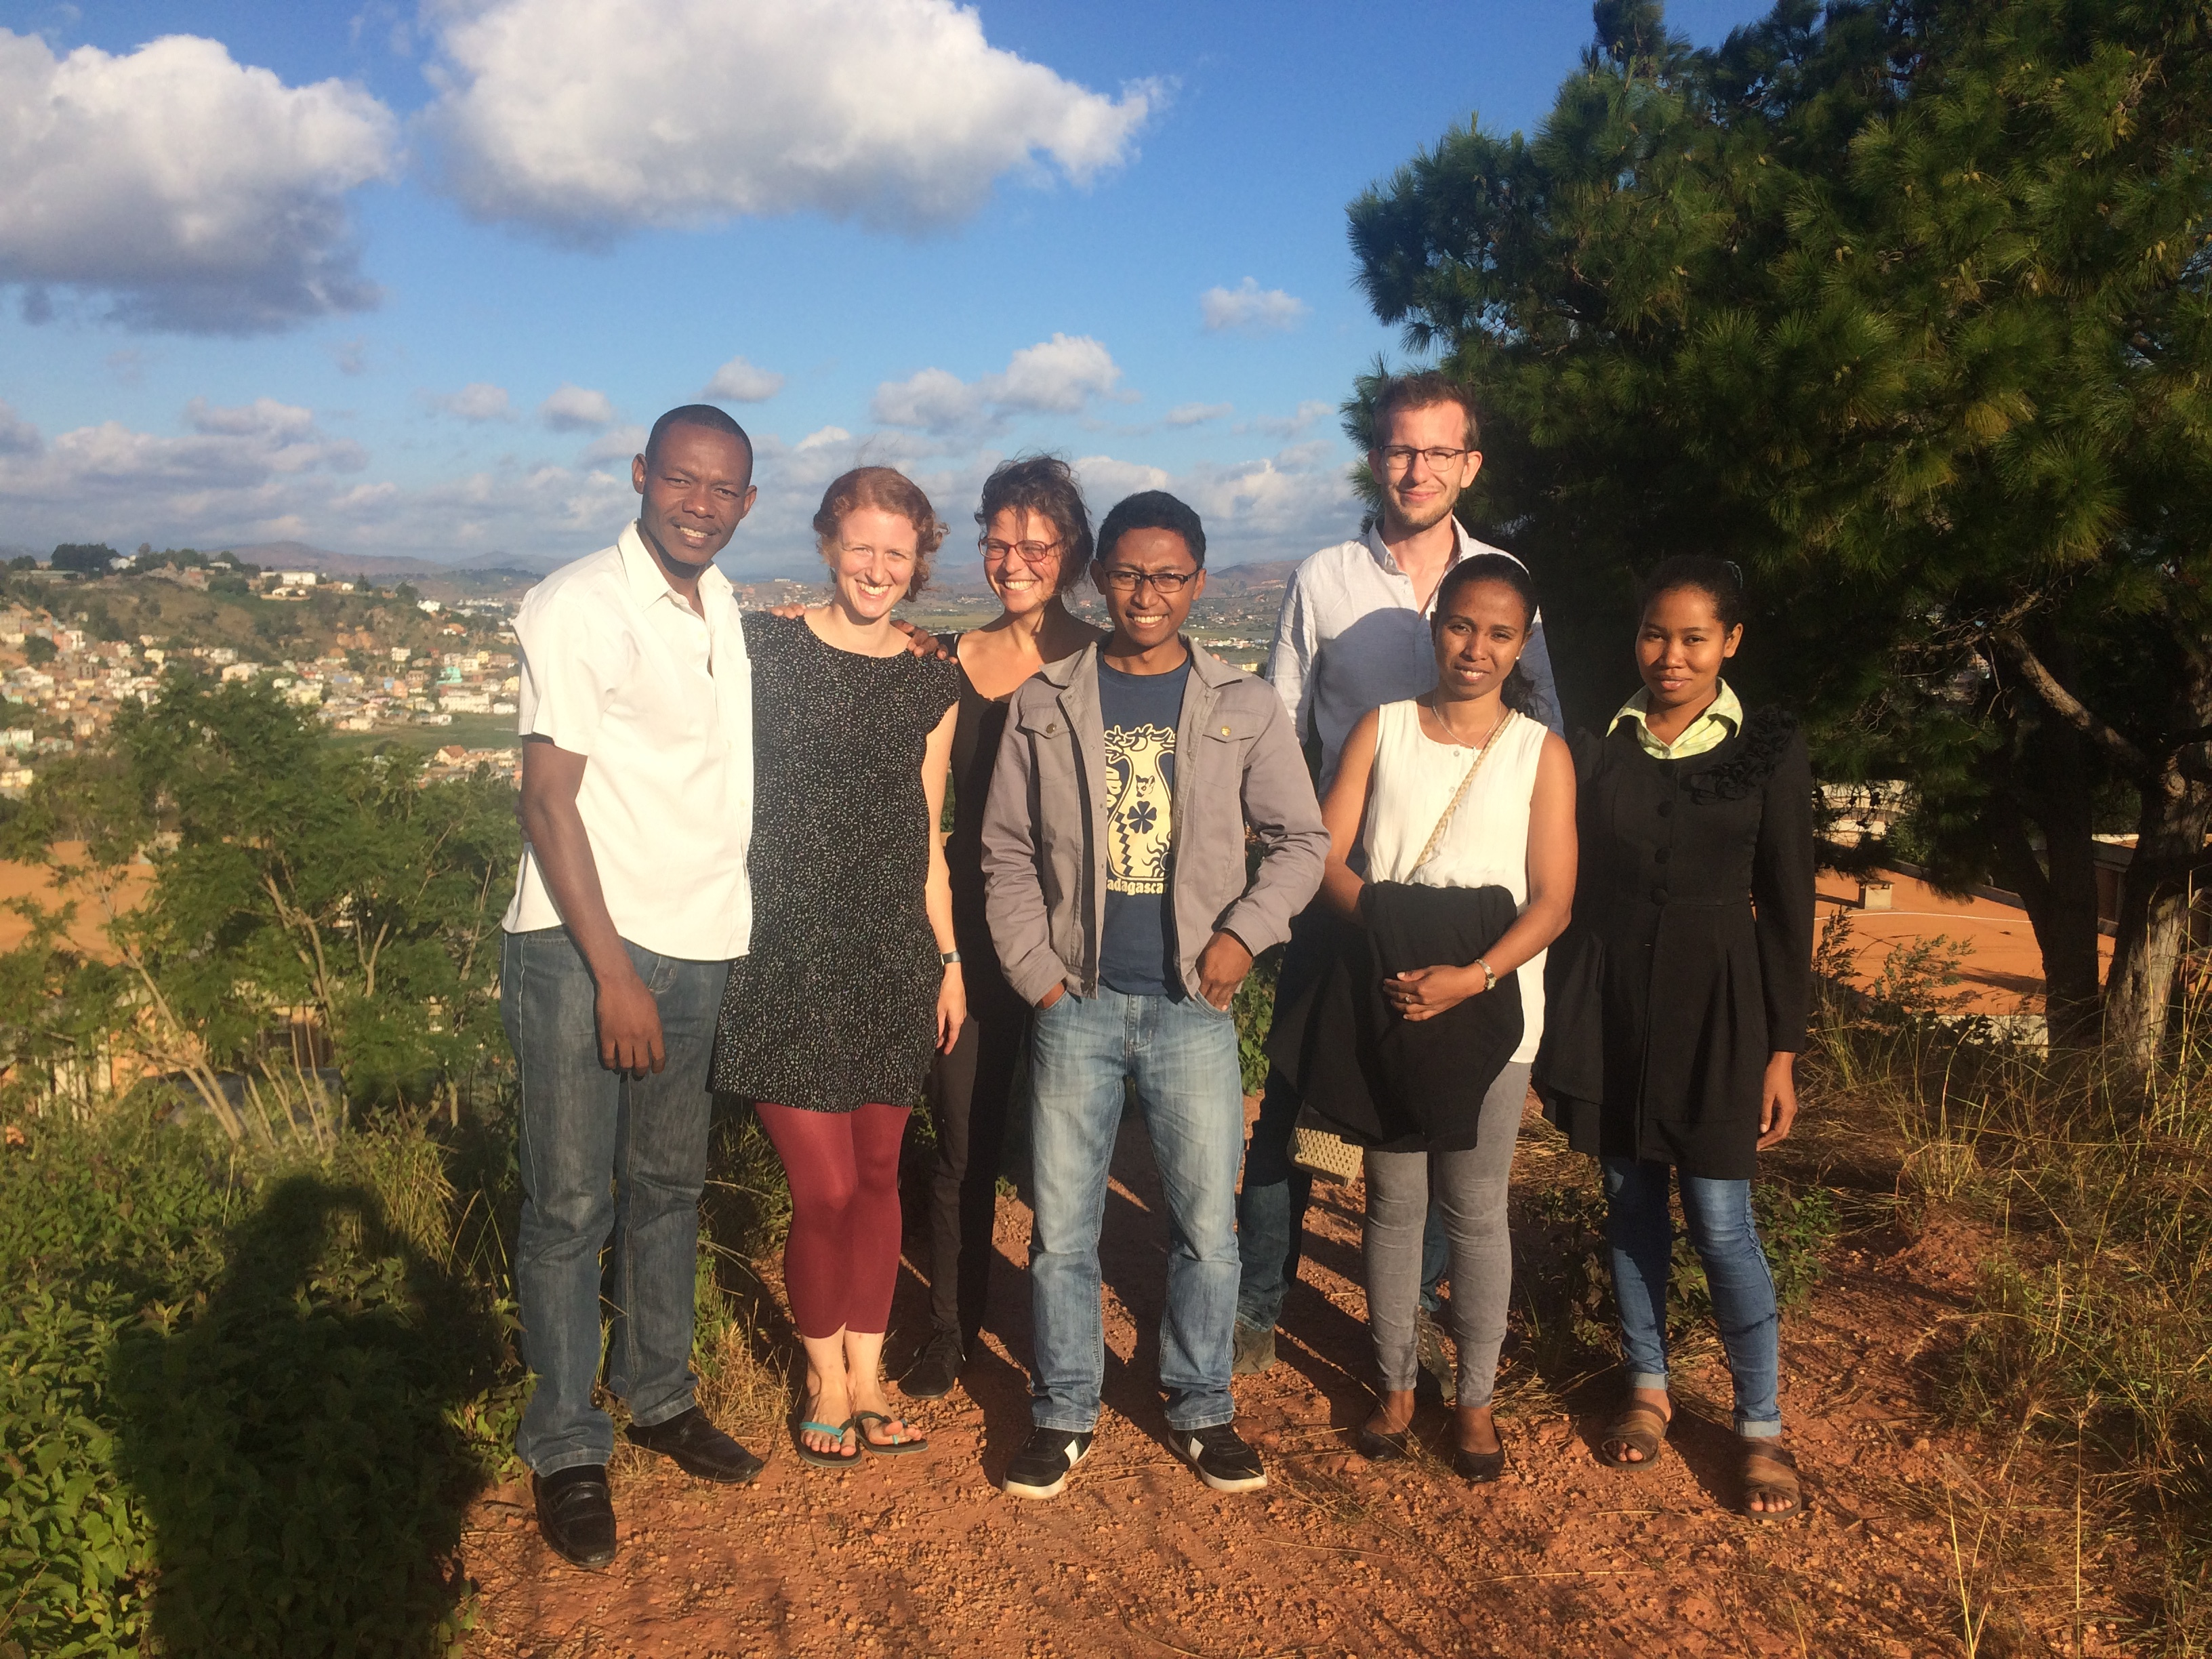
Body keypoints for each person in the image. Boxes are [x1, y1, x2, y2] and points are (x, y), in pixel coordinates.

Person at [981, 491, 1328, 1499]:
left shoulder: (1243, 707)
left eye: (1170, 576)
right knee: (1061, 1227)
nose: (1148, 593)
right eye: (1129, 574)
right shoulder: (1046, 702)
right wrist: (1036, 974)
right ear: (1100, 579)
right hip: (1075, 1003)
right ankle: (1062, 1407)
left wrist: (1242, 936)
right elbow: (1003, 851)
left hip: (1192, 1009)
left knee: (1205, 1230)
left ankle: (1200, 1403)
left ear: (1198, 583)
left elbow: (1303, 845)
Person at [1237, 369, 1564, 1393]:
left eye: (1438, 451)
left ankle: (1413, 1324)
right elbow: (1284, 729)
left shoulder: (1508, 580)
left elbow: (1541, 730)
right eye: (1398, 449)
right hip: (1344, 893)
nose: (1416, 469)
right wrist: (1293, 869)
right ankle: (1256, 1307)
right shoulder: (1325, 577)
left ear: (1469, 463)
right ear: (1376, 456)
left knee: (1434, 1124)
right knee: (1294, 1109)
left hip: (1467, 920)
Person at [502, 404, 768, 1570]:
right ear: (640, 476)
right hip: (585, 949)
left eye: (723, 490)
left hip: (698, 940)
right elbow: (546, 801)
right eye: (682, 481)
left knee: (664, 1187)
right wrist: (614, 973)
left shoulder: (720, 603)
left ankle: (658, 1397)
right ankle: (566, 1444)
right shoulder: (580, 606)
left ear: (746, 504)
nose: (700, 504)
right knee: (571, 1206)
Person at [1534, 554, 1814, 1519]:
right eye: (1657, 634)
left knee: (1723, 1223)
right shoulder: (1596, 745)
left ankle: (1760, 1425)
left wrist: (1784, 1048)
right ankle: (1647, 1388)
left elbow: (1786, 906)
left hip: (1720, 1012)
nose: (1672, 656)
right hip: (1610, 1005)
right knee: (1629, 1205)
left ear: (1730, 642)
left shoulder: (1768, 747)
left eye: (1696, 637)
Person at [1286, 555, 1574, 1480]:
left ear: (1521, 642)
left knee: (1478, 1212)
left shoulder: (1542, 751)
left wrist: (1474, 975)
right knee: (1396, 1208)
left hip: (1493, 1014)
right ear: (1435, 626)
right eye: (1460, 626)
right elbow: (1326, 858)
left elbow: (1555, 900)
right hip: (1393, 999)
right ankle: (1397, 1384)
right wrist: (1389, 924)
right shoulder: (1385, 729)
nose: (1475, 648)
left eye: (1498, 633)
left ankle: (1479, 1400)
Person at [710, 466, 962, 1469]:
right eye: (861, 545)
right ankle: (821, 1379)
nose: (877, 567)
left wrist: (947, 960)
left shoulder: (929, 678)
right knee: (820, 1193)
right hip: (784, 951)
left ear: (917, 564)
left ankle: (866, 1379)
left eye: (896, 553)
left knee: (875, 1177)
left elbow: (929, 837)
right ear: (826, 544)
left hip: (892, 951)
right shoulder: (763, 646)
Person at [902, 456, 1105, 1402]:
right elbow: (928, 822)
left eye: (1035, 543)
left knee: (1065, 1154)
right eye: (998, 541)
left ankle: (1069, 1346)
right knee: (965, 1145)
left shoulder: (1104, 661)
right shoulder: (950, 663)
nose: (1013, 560)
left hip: (1085, 939)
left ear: (1071, 550)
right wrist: (944, 955)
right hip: (976, 947)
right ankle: (954, 1326)